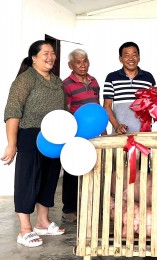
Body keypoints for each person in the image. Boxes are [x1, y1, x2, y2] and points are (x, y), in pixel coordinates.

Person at [1, 40, 65, 248]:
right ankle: (25, 229)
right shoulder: (25, 80)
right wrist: (12, 144)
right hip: (30, 135)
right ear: (34, 57)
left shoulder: (57, 81)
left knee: (49, 179)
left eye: (52, 53)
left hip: (54, 137)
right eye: (45, 53)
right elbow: (12, 112)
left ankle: (43, 222)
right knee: (28, 180)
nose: (50, 57)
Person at [62, 48, 103, 222]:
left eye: (85, 61)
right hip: (76, 135)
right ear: (70, 65)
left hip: (94, 134)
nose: (82, 65)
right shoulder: (66, 84)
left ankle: (91, 206)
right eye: (78, 62)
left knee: (94, 169)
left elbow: (97, 106)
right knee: (73, 171)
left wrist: (103, 128)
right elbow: (66, 109)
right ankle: (69, 210)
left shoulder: (94, 82)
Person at [103, 42, 157, 134]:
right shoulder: (112, 77)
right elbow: (106, 106)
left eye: (134, 55)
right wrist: (117, 126)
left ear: (139, 58)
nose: (131, 59)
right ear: (121, 59)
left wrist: (156, 96)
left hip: (144, 134)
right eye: (127, 55)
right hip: (120, 134)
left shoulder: (148, 77)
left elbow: (154, 103)